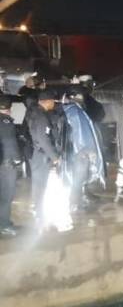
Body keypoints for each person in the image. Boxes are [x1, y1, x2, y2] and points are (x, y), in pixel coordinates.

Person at [63, 86, 105, 211]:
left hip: (73, 150)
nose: (82, 97)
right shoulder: (75, 111)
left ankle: (76, 201)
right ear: (74, 96)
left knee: (78, 177)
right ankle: (74, 203)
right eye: (80, 95)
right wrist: (87, 149)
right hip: (80, 152)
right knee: (78, 178)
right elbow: (81, 132)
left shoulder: (69, 109)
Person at [26, 89, 60, 219]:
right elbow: (43, 139)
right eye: (53, 101)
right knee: (40, 183)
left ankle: (37, 208)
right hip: (41, 155)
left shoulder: (35, 112)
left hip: (38, 153)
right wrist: (54, 157)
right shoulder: (41, 116)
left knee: (38, 182)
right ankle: (39, 211)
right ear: (47, 101)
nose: (54, 104)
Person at [0, 95, 21, 236]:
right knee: (6, 195)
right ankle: (4, 225)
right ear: (9, 108)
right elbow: (10, 143)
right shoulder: (6, 122)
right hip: (6, 164)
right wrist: (17, 159)